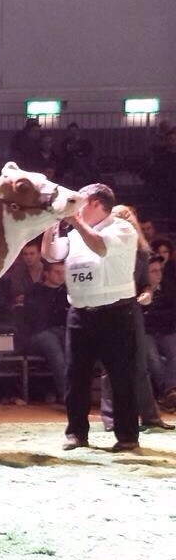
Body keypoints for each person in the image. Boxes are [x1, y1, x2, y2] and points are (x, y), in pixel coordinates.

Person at [42, 183, 140, 452]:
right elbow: (50, 254)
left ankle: (127, 436)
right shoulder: (75, 234)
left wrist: (75, 221)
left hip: (116, 312)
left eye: (80, 201)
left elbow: (100, 247)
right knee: (75, 376)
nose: (75, 207)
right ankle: (76, 433)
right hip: (80, 312)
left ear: (96, 203)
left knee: (121, 377)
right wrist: (51, 224)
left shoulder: (121, 228)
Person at [100, 208, 173, 432]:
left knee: (140, 365)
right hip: (108, 310)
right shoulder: (105, 250)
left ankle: (150, 416)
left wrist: (147, 293)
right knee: (110, 366)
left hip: (132, 310)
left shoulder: (141, 253)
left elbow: (145, 283)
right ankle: (111, 419)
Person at [22, 260, 68, 403]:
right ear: (46, 273)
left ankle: (74, 393)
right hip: (40, 334)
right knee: (52, 345)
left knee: (73, 345)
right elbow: (36, 318)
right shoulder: (34, 291)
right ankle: (68, 397)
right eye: (57, 272)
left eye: (64, 272)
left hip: (62, 331)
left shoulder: (68, 292)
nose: (61, 276)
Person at [143, 253, 176, 413]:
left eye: (159, 270)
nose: (158, 274)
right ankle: (168, 392)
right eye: (153, 271)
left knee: (174, 352)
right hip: (147, 332)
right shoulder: (138, 291)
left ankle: (169, 391)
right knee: (152, 357)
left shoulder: (169, 289)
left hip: (166, 330)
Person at [55, 122, 95, 189]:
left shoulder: (85, 142)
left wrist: (78, 150)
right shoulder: (64, 143)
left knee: (81, 162)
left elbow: (88, 153)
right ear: (68, 133)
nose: (73, 133)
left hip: (84, 164)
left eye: (75, 131)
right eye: (71, 131)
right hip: (68, 165)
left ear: (78, 131)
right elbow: (63, 155)